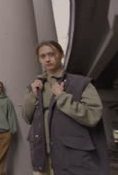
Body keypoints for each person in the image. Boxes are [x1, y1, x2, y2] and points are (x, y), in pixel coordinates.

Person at [22, 40, 109, 175]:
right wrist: (32, 96)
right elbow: (27, 118)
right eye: (43, 56)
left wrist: (61, 96)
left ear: (61, 55)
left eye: (51, 54)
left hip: (71, 158)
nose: (47, 59)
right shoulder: (37, 86)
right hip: (41, 158)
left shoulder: (80, 83)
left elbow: (93, 116)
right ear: (39, 59)